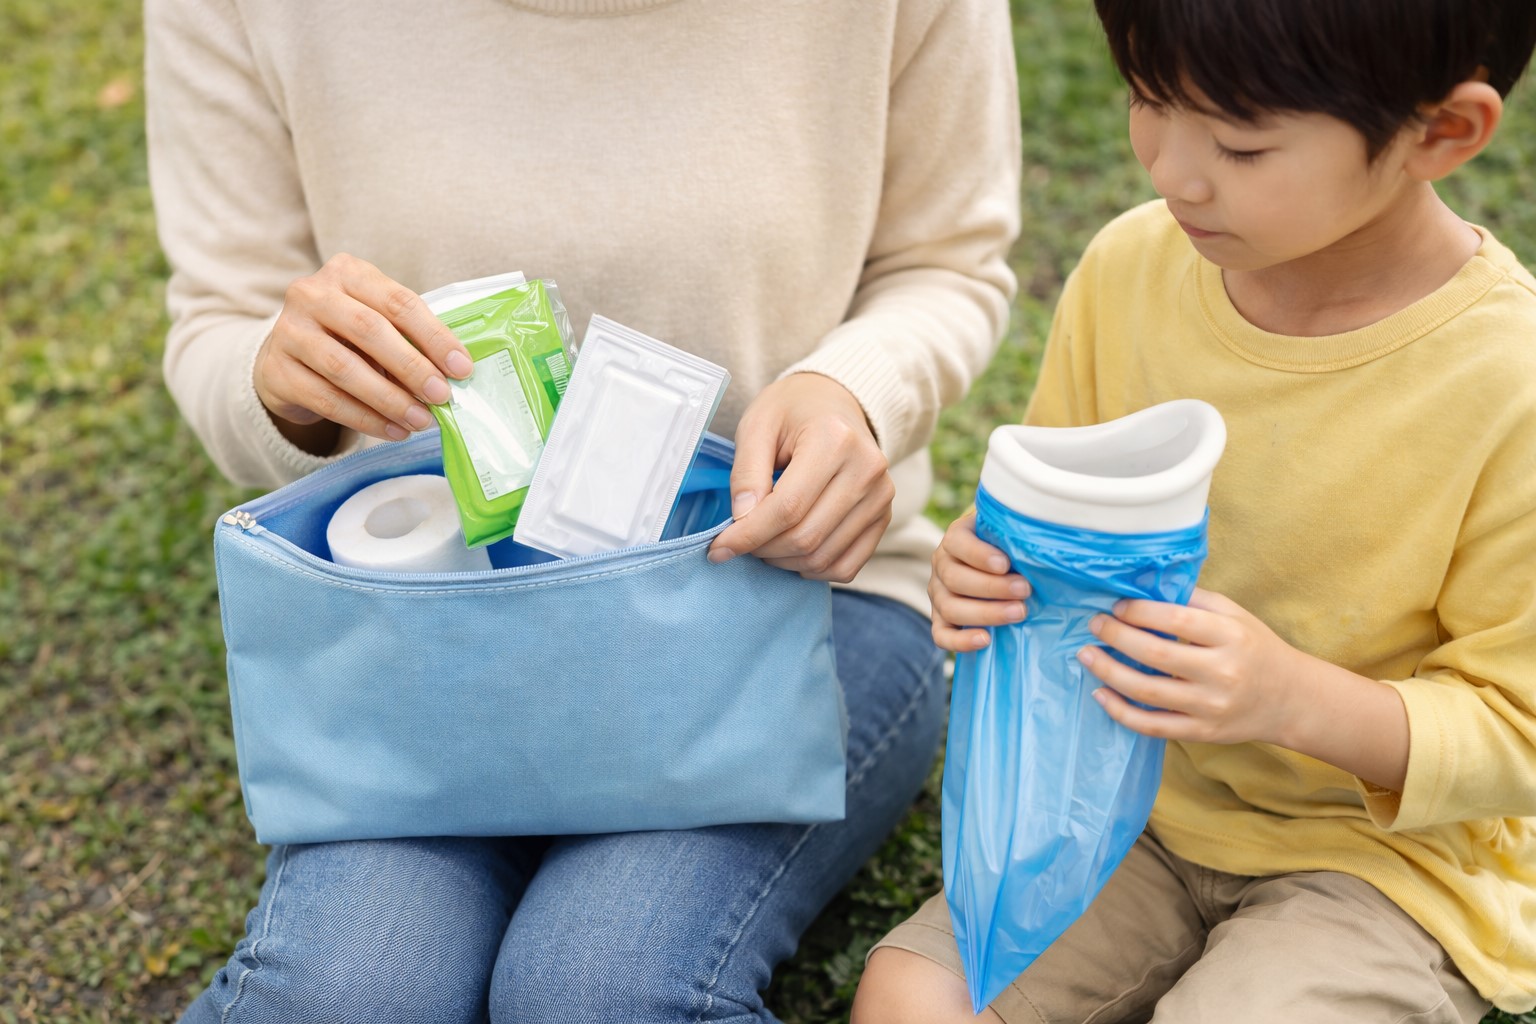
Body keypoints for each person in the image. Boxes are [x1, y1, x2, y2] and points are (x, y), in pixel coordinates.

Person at [143, 0, 1020, 1020]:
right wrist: (280, 378)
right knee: (348, 990)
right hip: (431, 625)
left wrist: (853, 391)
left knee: (596, 986)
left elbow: (948, 262)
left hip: (786, 595)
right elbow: (220, 318)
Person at [852, 1, 1536, 1021]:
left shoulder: (1506, 383)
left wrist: (1289, 697)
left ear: (1441, 131)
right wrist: (984, 572)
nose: (1172, 169)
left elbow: (1517, 731)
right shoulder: (1132, 269)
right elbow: (1048, 533)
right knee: (912, 993)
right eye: (1147, 98)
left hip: (1380, 866)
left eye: (1241, 143)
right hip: (1119, 810)